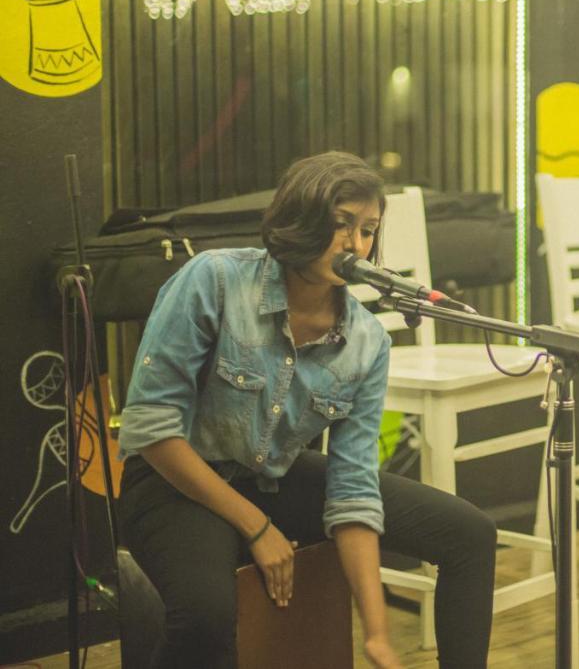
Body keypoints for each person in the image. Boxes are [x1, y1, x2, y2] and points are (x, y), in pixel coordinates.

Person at [117, 151, 498, 669]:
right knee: (205, 617)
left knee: (469, 533)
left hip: (266, 476)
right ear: (300, 219)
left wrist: (378, 633)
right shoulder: (215, 279)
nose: (355, 244)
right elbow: (152, 430)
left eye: (367, 230)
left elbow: (353, 489)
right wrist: (256, 527)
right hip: (172, 480)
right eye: (341, 224)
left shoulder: (366, 339)